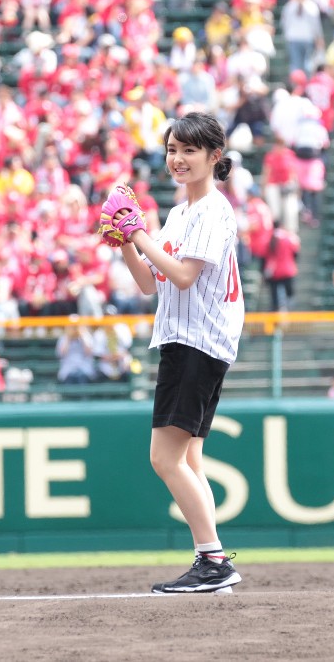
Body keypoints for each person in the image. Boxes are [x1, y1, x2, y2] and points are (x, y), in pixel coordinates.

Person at [110, 111, 244, 594]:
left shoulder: (212, 210)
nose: (178, 158)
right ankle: (212, 561)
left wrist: (138, 231)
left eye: (189, 150)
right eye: (172, 149)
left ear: (214, 157)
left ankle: (213, 560)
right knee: (189, 462)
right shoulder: (181, 213)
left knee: (164, 459)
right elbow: (151, 281)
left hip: (196, 342)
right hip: (187, 340)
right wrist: (127, 241)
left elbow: (184, 276)